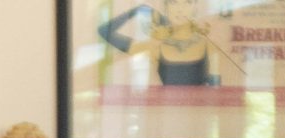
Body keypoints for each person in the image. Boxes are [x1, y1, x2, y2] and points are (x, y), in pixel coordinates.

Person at [99, 0, 233, 87]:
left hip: (199, 118)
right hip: (163, 116)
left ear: (195, 7)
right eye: (173, 2)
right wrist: (137, 9)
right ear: (166, 7)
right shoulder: (154, 46)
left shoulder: (209, 44)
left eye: (187, 2)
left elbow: (217, 90)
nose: (180, 9)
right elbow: (104, 31)